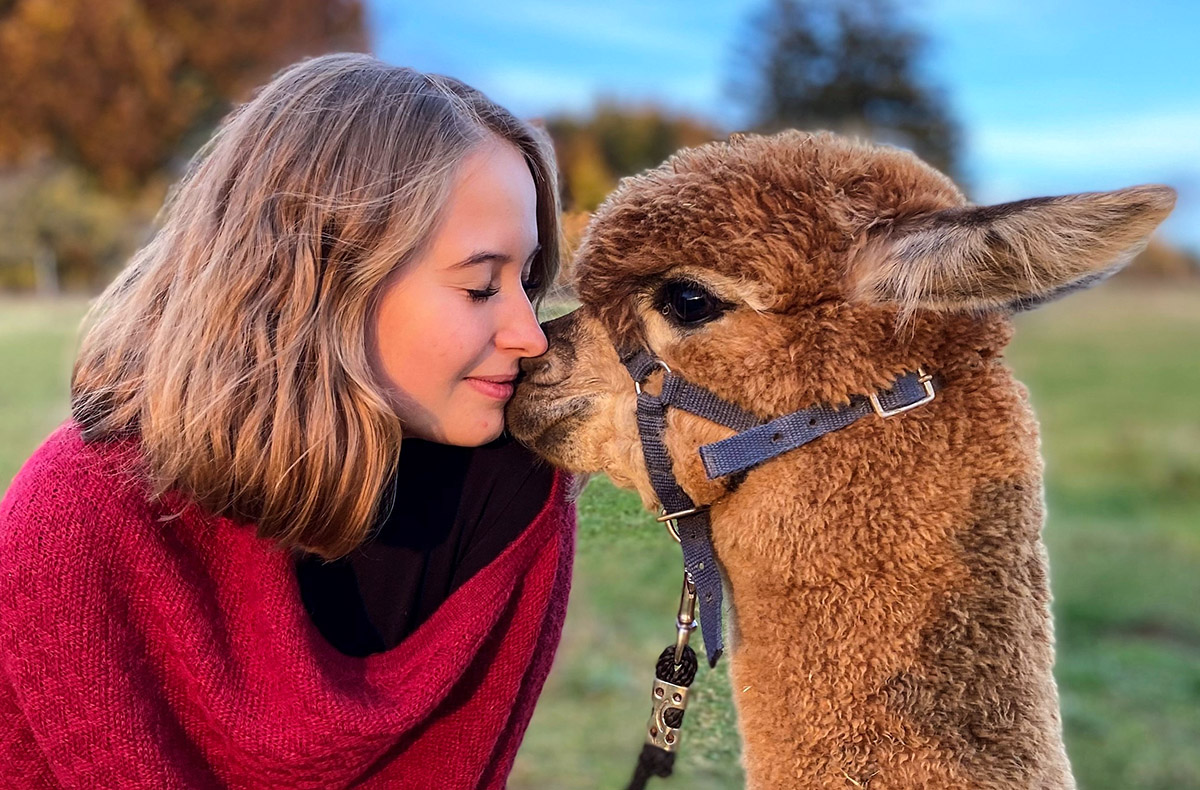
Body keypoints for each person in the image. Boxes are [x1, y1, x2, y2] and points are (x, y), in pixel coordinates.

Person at [0, 53, 575, 789]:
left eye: (528, 281)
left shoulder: (512, 490)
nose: (531, 334)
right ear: (322, 278)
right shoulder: (79, 512)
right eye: (478, 286)